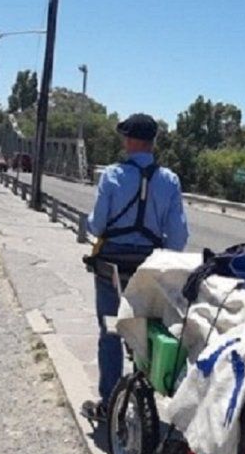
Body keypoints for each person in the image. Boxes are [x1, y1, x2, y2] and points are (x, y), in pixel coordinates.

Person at [81, 113, 189, 420]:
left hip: (112, 266)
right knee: (147, 331)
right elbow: (178, 238)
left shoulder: (112, 175)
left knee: (111, 330)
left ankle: (109, 402)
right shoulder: (169, 180)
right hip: (148, 269)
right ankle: (145, 399)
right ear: (153, 143)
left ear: (128, 140)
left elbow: (97, 225)